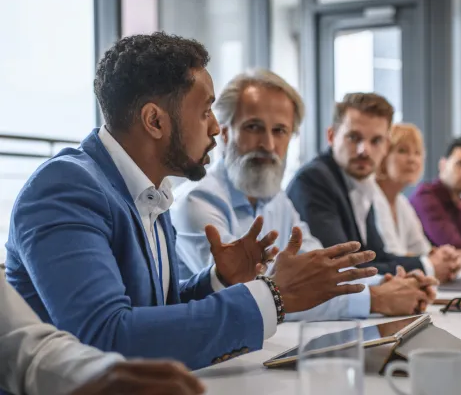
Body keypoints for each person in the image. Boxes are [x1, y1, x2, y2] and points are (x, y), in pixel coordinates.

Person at [4, 33, 377, 371]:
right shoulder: (65, 188)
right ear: (154, 120)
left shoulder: (150, 190)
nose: (216, 127)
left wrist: (218, 280)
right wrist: (274, 296)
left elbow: (151, 312)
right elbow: (106, 338)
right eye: (205, 112)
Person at [171, 70, 438, 318]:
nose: (268, 144)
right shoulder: (198, 201)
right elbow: (251, 296)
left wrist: (394, 283)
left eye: (280, 131)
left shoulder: (276, 199)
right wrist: (374, 298)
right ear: (226, 133)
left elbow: (319, 269)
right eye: (253, 127)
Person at [286, 92, 457, 276]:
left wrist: (428, 262)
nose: (364, 150)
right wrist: (428, 267)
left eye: (376, 141)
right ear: (331, 136)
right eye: (353, 137)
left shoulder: (361, 183)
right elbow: (342, 266)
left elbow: (375, 256)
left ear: (386, 145)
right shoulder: (314, 180)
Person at [0, 273, 204, 395]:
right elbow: (109, 331)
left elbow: (26, 348)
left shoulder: (152, 208)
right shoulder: (61, 204)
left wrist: (99, 374)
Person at [373, 123, 460, 282]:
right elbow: (390, 256)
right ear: (383, 155)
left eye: (417, 153)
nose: (412, 159)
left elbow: (422, 250)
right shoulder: (372, 197)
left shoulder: (401, 202)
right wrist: (433, 262)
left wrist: (442, 256)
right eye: (402, 151)